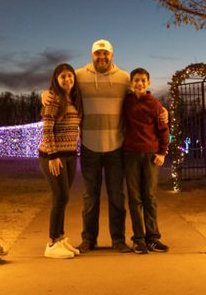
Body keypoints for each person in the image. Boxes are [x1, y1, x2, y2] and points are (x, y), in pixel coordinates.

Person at [75, 39, 132, 253]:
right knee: (90, 197)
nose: (102, 57)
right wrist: (46, 95)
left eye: (105, 54)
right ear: (92, 55)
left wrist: (159, 110)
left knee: (117, 196)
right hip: (89, 145)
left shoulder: (124, 78)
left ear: (112, 55)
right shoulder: (79, 76)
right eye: (98, 54)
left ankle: (118, 239)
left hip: (116, 146)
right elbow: (63, 89)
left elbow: (139, 96)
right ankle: (89, 239)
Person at [123, 67, 170, 253]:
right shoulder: (126, 102)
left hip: (150, 156)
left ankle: (153, 237)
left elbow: (163, 130)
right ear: (130, 83)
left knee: (149, 197)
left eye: (143, 80)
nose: (139, 83)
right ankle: (139, 239)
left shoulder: (155, 104)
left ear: (148, 83)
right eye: (136, 80)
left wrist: (162, 153)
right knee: (134, 198)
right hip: (130, 154)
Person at [39, 63, 83, 259]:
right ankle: (51, 242)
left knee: (64, 198)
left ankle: (61, 237)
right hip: (54, 156)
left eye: (70, 76)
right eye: (63, 77)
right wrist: (52, 155)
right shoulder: (54, 99)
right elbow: (47, 129)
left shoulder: (72, 99)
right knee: (60, 197)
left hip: (71, 154)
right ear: (56, 80)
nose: (68, 80)